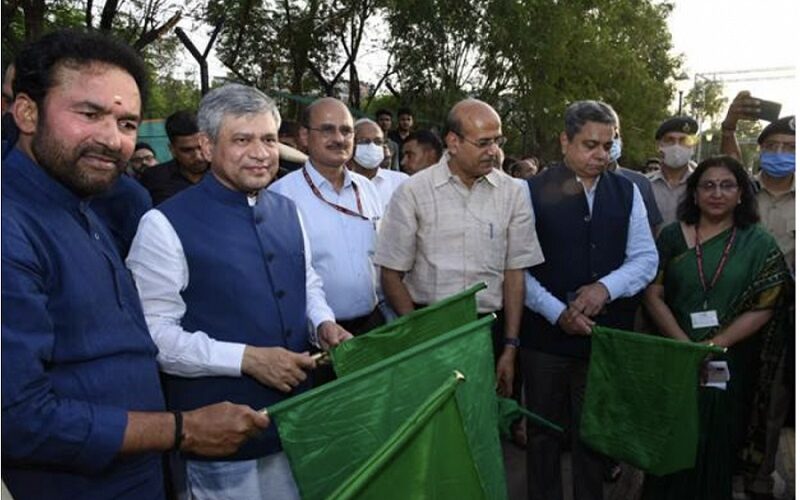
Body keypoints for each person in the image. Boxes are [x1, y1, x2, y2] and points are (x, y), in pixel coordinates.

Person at [2, 29, 268, 500]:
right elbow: (18, 418)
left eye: (127, 124)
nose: (111, 139)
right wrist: (181, 429)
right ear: (26, 112)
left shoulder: (85, 203)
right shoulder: (11, 224)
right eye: (90, 114)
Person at [126, 84, 350, 499]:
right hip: (221, 436)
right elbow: (153, 337)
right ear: (207, 146)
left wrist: (323, 323)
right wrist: (246, 360)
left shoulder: (288, 210)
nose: (261, 153)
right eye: (242, 140)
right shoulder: (162, 225)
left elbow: (307, 283)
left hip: (296, 422)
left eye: (268, 139)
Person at [521, 100, 658, 500]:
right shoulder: (530, 190)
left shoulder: (627, 191)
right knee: (543, 434)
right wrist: (556, 311)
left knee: (595, 436)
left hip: (604, 336)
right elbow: (515, 268)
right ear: (565, 141)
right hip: (545, 339)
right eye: (590, 145)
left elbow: (645, 258)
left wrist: (605, 289)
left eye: (608, 145)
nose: (601, 155)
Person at [375, 98, 543, 399]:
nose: (493, 151)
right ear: (453, 142)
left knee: (482, 425)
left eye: (497, 141)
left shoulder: (512, 194)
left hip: (488, 330)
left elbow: (515, 273)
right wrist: (418, 335)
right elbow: (390, 274)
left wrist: (509, 346)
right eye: (483, 143)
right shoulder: (413, 192)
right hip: (428, 327)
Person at [642, 156, 789, 500]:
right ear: (694, 194)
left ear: (741, 194)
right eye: (708, 185)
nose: (717, 193)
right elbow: (652, 295)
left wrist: (716, 344)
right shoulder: (672, 237)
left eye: (727, 185)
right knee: (671, 441)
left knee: (717, 442)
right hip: (676, 355)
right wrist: (686, 346)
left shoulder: (758, 243)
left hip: (731, 359)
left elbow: (767, 304)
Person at [721, 94, 795, 499]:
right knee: (726, 388)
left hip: (782, 315)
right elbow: (728, 160)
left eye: (791, 148)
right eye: (774, 147)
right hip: (734, 309)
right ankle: (723, 466)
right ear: (760, 150)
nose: (781, 154)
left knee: (772, 398)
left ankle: (760, 475)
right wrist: (729, 127)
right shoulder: (742, 191)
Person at [270, 98, 385, 339]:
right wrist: (321, 322)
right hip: (316, 333)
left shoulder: (367, 188)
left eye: (346, 130)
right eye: (327, 129)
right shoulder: (281, 196)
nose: (339, 139)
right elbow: (288, 275)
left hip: (374, 323)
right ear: (304, 136)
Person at [607, 110, 664, 232]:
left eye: (615, 136)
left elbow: (653, 229)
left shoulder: (640, 183)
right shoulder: (571, 183)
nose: (609, 142)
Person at [139, 110, 209, 205]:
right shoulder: (154, 178)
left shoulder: (225, 174)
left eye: (201, 147)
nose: (198, 156)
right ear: (172, 149)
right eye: (187, 150)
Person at [648, 116, 698, 229]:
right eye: (670, 140)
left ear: (693, 147)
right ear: (659, 146)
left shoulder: (702, 184)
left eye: (683, 140)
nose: (677, 146)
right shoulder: (645, 184)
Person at [348, 118, 409, 209]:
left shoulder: (400, 182)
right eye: (365, 141)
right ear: (352, 145)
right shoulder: (341, 183)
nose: (372, 146)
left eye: (378, 142)